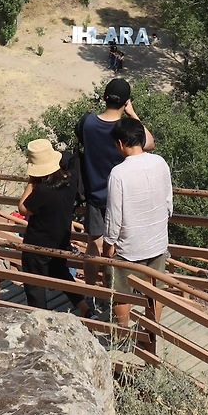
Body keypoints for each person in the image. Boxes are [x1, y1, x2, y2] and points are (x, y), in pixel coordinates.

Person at [75, 78, 153, 308]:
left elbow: (81, 138)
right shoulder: (124, 131)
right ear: (126, 102)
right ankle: (114, 295)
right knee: (118, 248)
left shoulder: (87, 122)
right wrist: (133, 114)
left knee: (93, 245)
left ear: (103, 97)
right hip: (122, 197)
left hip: (93, 194)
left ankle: (90, 293)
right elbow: (149, 143)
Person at [102, 114, 173, 346]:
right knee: (155, 289)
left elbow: (114, 215)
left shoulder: (119, 173)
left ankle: (122, 336)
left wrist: (109, 244)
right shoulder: (160, 163)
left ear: (120, 143)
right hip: (157, 240)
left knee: (120, 290)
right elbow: (168, 203)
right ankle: (149, 335)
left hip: (130, 246)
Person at [18, 139, 82, 312]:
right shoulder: (71, 179)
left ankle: (40, 314)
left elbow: (23, 208)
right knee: (61, 273)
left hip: (37, 244)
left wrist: (31, 181)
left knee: (34, 283)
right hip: (60, 239)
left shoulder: (42, 190)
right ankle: (85, 308)